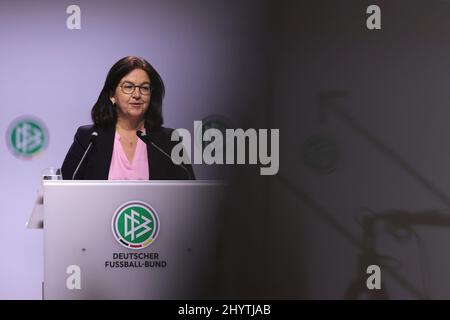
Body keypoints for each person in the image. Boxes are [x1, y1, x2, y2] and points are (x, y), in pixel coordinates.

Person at [61, 56, 195, 180]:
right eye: (128, 87)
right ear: (112, 95)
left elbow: (189, 192)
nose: (137, 94)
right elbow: (65, 188)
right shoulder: (89, 138)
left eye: (144, 88)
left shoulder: (169, 141)